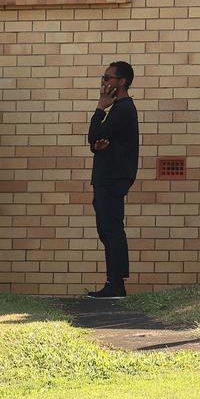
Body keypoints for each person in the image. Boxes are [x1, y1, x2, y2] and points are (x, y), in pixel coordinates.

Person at [86, 60, 139, 299]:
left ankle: (115, 284)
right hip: (107, 176)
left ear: (122, 82)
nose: (104, 82)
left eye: (108, 78)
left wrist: (99, 108)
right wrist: (98, 146)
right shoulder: (118, 110)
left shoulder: (123, 108)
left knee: (111, 229)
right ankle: (115, 281)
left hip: (112, 178)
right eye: (103, 78)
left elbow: (95, 135)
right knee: (106, 230)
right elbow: (96, 142)